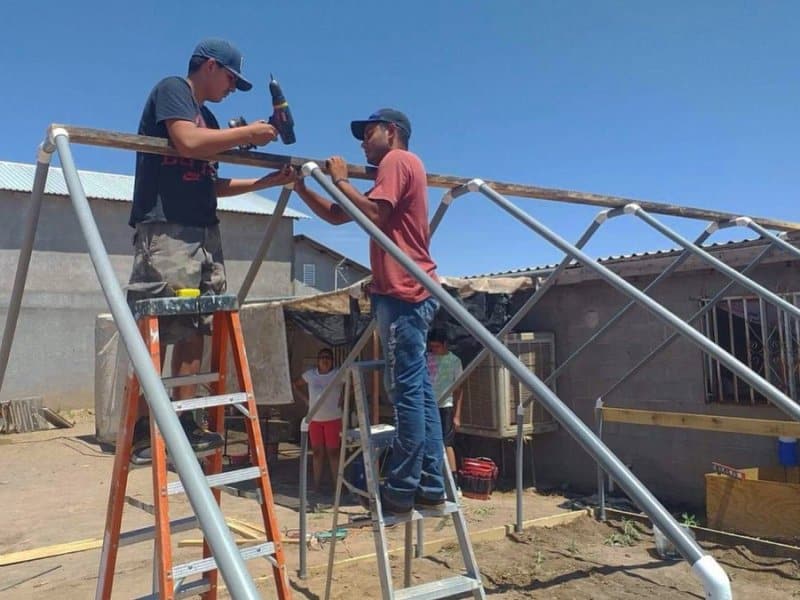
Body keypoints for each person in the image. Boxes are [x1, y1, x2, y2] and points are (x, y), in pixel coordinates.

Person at [127, 38, 295, 463]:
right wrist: (249, 134)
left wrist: (264, 184)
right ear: (211, 66)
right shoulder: (174, 90)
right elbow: (186, 142)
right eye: (231, 80)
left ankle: (184, 422)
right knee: (158, 330)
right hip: (168, 229)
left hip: (203, 231)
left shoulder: (211, 119)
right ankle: (146, 430)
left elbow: (211, 184)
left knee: (195, 328)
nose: (231, 89)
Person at [291, 108, 443, 514]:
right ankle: (429, 482)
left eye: (368, 132)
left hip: (404, 292)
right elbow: (342, 215)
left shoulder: (397, 161)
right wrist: (304, 188)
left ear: (391, 132)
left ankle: (404, 485)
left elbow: (373, 214)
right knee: (419, 392)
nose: (361, 141)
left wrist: (339, 178)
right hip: (405, 292)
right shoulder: (396, 169)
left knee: (407, 392)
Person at [292, 348, 343, 495]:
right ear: (318, 360)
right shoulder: (310, 375)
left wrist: (344, 398)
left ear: (332, 360)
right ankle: (316, 485)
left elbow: (353, 384)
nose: (325, 360)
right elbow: (296, 384)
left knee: (333, 453)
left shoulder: (338, 374)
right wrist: (306, 400)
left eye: (328, 357)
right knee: (317, 453)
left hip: (333, 419)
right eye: (322, 357)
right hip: (314, 419)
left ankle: (338, 486)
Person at [426, 327, 463, 492]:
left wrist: (457, 415)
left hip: (445, 406)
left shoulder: (454, 361)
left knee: (447, 443)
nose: (434, 349)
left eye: (437, 346)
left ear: (445, 344)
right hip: (429, 405)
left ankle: (454, 482)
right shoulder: (427, 358)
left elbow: (459, 389)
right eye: (432, 346)